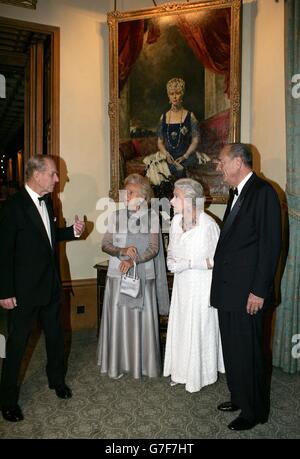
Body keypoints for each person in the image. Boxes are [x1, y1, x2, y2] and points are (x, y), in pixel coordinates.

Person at [0, 155, 85, 422]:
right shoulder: (12, 207)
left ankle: (56, 381)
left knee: (56, 337)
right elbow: (3, 253)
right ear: (36, 175)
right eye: (53, 174)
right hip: (23, 291)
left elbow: (49, 235)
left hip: (50, 286)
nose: (59, 179)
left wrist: (71, 231)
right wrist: (4, 292)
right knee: (17, 345)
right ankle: (7, 401)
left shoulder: (48, 201)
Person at [211, 143, 281, 431]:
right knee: (233, 349)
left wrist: (259, 291)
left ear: (239, 162)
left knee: (249, 352)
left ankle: (254, 411)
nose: (218, 166)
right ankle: (239, 397)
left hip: (248, 293)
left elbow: (270, 246)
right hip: (229, 291)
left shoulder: (263, 192)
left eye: (221, 161)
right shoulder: (236, 193)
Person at [97, 173, 169, 379]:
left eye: (131, 192)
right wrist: (121, 251)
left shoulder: (153, 217)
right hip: (117, 277)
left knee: (141, 320)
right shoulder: (116, 216)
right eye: (125, 192)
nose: (125, 196)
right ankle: (117, 363)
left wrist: (133, 261)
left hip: (143, 277)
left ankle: (143, 364)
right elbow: (105, 244)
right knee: (119, 319)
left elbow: (154, 248)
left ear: (143, 195)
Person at [163, 178, 224, 392]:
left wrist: (188, 264)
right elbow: (171, 250)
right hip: (182, 284)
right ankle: (181, 370)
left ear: (190, 199)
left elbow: (220, 261)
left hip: (201, 286)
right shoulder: (175, 221)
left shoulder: (209, 225)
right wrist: (171, 263)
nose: (171, 201)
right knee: (182, 325)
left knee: (198, 325)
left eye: (176, 196)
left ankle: (200, 374)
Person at [157, 78, 208, 179]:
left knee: (182, 170)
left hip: (186, 155)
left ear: (182, 94)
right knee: (162, 170)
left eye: (178, 93)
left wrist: (185, 156)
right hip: (168, 156)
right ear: (168, 95)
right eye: (172, 94)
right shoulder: (164, 116)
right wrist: (166, 154)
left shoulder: (190, 116)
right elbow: (160, 142)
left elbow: (195, 141)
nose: (175, 97)